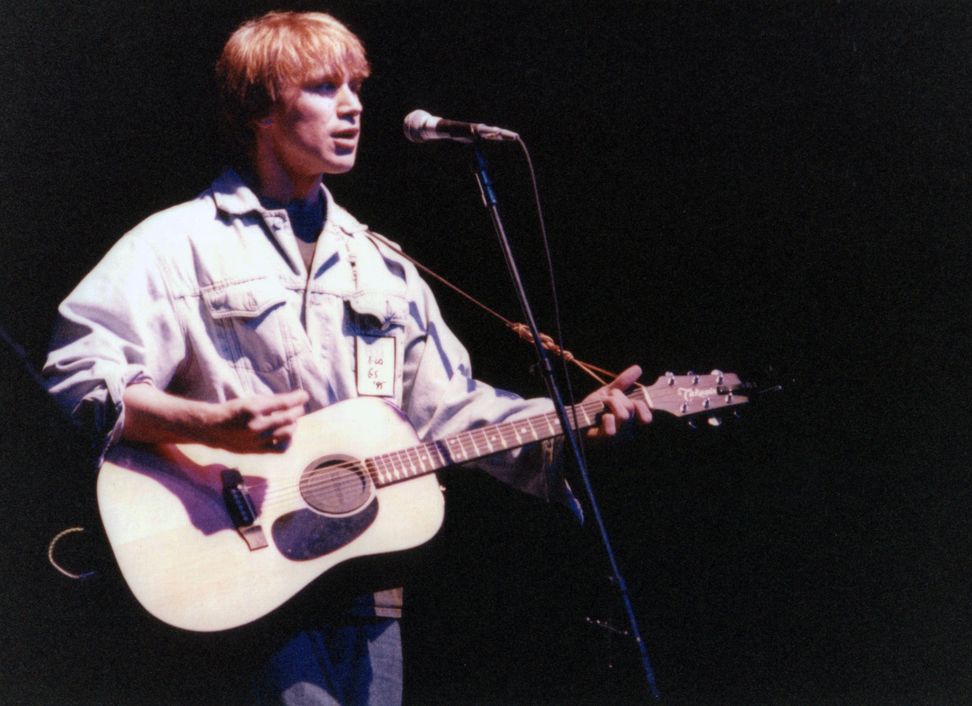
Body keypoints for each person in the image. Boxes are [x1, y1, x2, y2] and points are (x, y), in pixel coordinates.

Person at [42, 10, 651, 705]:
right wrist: (205, 425)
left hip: (366, 589)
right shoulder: (176, 244)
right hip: (234, 582)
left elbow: (451, 412)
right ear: (259, 109)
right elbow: (79, 375)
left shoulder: (383, 265)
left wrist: (572, 423)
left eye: (356, 86)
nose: (354, 105)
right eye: (324, 87)